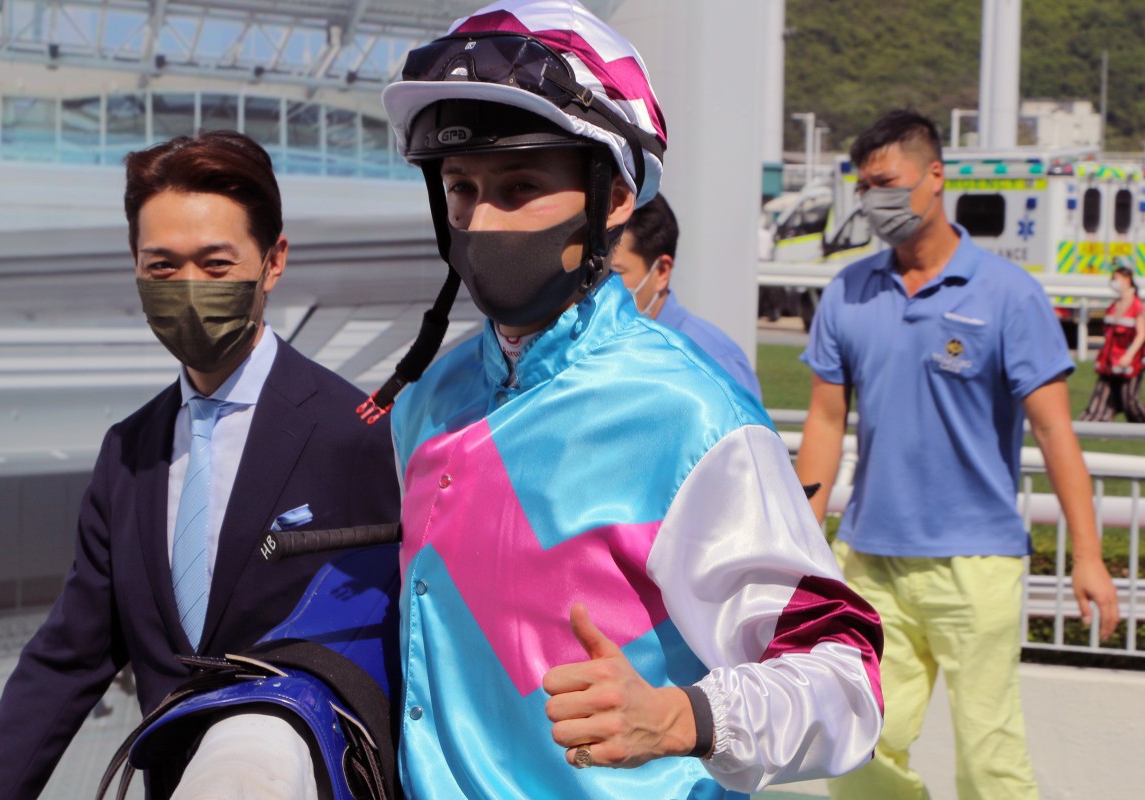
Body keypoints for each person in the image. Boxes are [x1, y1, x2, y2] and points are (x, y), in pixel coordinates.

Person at [375, 2, 883, 797]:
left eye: (519, 186)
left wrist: (685, 717)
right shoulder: (431, 399)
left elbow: (845, 678)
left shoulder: (689, 415)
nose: (480, 220)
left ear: (614, 198)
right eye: (461, 187)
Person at [0, 130, 401, 799]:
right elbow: (66, 661)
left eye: (216, 265)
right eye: (162, 267)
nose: (188, 289)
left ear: (273, 262)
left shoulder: (356, 433)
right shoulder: (128, 453)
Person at [795, 109, 1121, 800]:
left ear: (936, 175)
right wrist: (798, 539)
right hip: (872, 560)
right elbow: (825, 420)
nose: (874, 201)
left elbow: (1055, 432)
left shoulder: (1008, 294)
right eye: (864, 187)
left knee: (988, 760)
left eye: (888, 183)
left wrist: (1088, 556)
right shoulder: (848, 291)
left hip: (977, 565)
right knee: (859, 741)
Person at [610, 192, 764, 399]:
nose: (595, 285)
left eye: (614, 273)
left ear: (662, 271)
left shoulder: (713, 362)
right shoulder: (594, 348)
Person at [1079, 264, 1145, 422]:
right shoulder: (1114, 306)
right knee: (1098, 403)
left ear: (1127, 279)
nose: (1113, 282)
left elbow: (1141, 334)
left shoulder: (1136, 306)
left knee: (1130, 402)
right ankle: (1083, 427)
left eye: (1116, 278)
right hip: (1109, 362)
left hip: (1129, 363)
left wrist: (1129, 356)